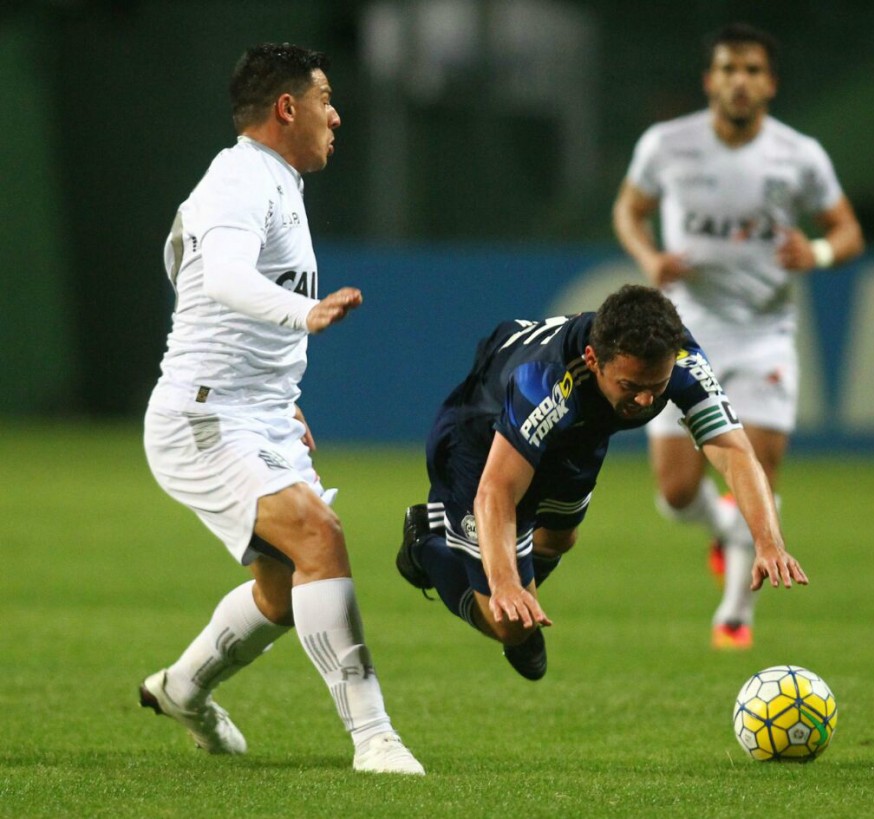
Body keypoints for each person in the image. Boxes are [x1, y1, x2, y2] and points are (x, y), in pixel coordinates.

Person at [140, 43, 423, 775]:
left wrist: (281, 401)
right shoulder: (237, 178)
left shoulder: (278, 182)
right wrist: (304, 314)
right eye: (325, 98)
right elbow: (228, 278)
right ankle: (375, 738)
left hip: (254, 411)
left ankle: (183, 689)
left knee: (280, 587)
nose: (337, 114)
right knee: (319, 533)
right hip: (203, 415)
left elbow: (200, 281)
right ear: (286, 108)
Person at [395, 284, 808, 680]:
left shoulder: (681, 357)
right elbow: (498, 489)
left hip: (576, 434)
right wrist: (504, 583)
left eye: (656, 386)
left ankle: (513, 586)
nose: (646, 400)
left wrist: (768, 542)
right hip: (480, 444)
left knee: (559, 539)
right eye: (631, 386)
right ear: (593, 360)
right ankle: (424, 546)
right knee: (511, 626)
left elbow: (734, 451)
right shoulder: (544, 384)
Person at [612, 23, 863, 650]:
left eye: (752, 71)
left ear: (769, 83)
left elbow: (848, 230)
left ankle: (736, 615)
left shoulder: (798, 155)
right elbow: (628, 209)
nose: (740, 81)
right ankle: (726, 531)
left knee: (758, 471)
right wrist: (648, 257)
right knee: (674, 493)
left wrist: (822, 250)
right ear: (710, 81)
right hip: (681, 336)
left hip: (765, 335)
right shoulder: (667, 145)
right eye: (729, 69)